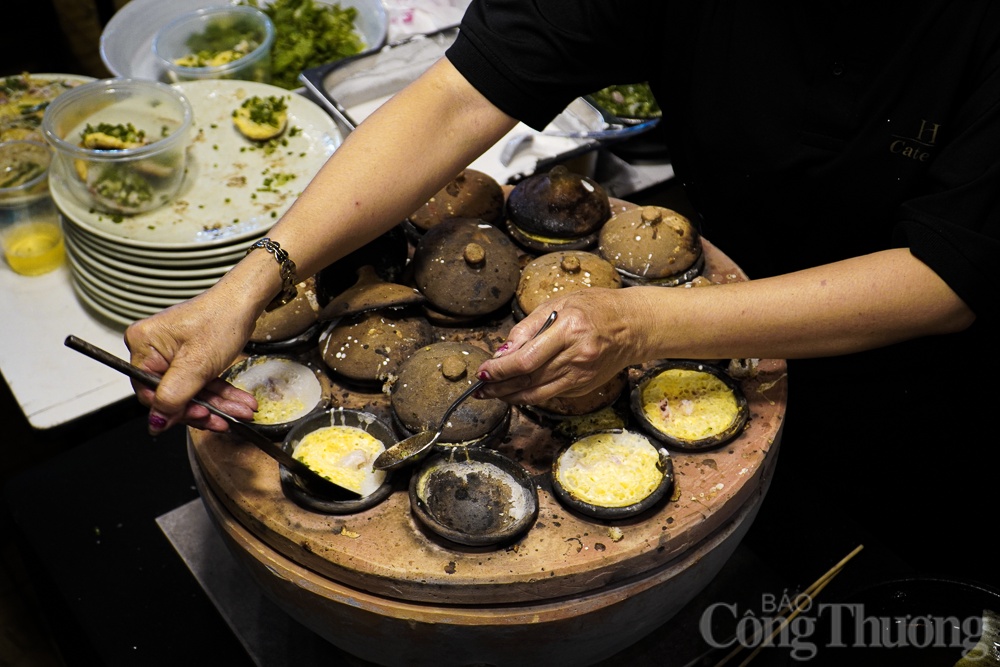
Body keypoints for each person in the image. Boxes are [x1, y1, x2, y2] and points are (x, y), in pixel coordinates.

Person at [126, 1, 998, 583]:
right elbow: (456, 100)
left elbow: (948, 275)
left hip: (908, 380)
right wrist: (245, 285)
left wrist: (643, 320)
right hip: (715, 273)